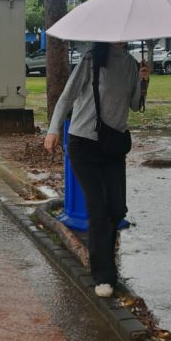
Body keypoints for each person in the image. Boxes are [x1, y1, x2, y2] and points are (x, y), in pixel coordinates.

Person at [44, 42, 150, 298]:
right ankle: (104, 275)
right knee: (99, 209)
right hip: (84, 144)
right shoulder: (91, 59)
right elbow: (67, 96)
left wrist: (144, 81)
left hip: (113, 145)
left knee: (117, 209)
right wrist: (53, 129)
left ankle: (105, 263)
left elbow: (135, 104)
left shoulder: (131, 63)